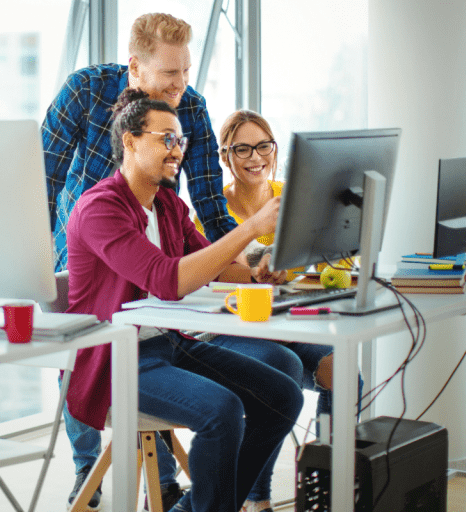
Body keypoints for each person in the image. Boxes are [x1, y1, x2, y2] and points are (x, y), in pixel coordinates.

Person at [65, 88, 303, 512]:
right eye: (166, 139)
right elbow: (166, 280)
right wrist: (250, 230)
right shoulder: (100, 208)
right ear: (131, 141)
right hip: (116, 360)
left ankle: (200, 508)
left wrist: (258, 270)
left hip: (167, 345)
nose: (177, 150)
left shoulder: (169, 206)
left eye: (181, 141)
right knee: (221, 411)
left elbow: (214, 265)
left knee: (283, 396)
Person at [43, 14, 246, 509]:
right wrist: (36, 263)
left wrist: (238, 258)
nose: (181, 86)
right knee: (90, 334)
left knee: (150, 327)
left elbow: (208, 203)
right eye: (170, 74)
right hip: (88, 229)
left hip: (153, 227)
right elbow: (42, 177)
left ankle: (160, 478)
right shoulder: (85, 90)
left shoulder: (189, 107)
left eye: (186, 72)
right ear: (136, 67)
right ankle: (87, 468)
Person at [196, 108, 364, 429]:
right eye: (241, 149)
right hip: (230, 328)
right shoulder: (212, 211)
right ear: (224, 156)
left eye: (263, 146)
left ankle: (325, 466)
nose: (255, 157)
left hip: (282, 321)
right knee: (282, 366)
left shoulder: (291, 196)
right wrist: (256, 275)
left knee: (342, 369)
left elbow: (314, 250)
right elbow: (213, 273)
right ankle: (257, 480)